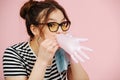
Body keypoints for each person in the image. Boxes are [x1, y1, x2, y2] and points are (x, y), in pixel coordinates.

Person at [2, 0, 89, 80]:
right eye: (52, 25)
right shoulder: (14, 54)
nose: (61, 31)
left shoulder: (63, 50)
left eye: (63, 23)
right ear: (35, 30)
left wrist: (73, 55)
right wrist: (42, 61)